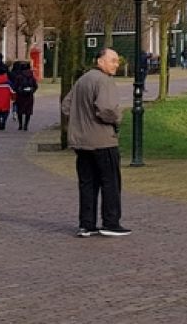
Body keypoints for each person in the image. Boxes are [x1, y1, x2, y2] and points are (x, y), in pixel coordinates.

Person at [62, 48, 129, 237]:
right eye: (113, 60)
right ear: (100, 61)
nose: (117, 64)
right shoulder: (104, 81)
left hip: (81, 142)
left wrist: (79, 120)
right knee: (110, 182)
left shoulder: (82, 81)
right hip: (102, 141)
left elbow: (66, 106)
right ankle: (111, 222)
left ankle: (86, 224)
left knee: (87, 183)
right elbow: (106, 109)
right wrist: (117, 118)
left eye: (117, 61)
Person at [8, 60, 38, 131]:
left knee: (20, 111)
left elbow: (15, 86)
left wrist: (19, 91)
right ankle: (26, 125)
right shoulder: (32, 77)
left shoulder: (19, 77)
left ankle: (20, 125)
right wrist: (32, 91)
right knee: (28, 111)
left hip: (20, 96)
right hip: (29, 96)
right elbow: (36, 86)